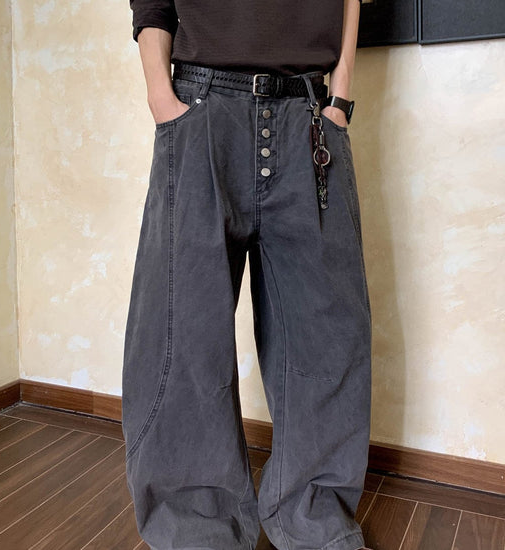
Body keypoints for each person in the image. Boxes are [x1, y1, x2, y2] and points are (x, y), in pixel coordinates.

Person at [121, 1, 373, 549]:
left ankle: (315, 522)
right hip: (201, 108)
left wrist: (339, 97)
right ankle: (197, 529)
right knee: (184, 334)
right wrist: (161, 96)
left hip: (309, 114)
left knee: (325, 337)